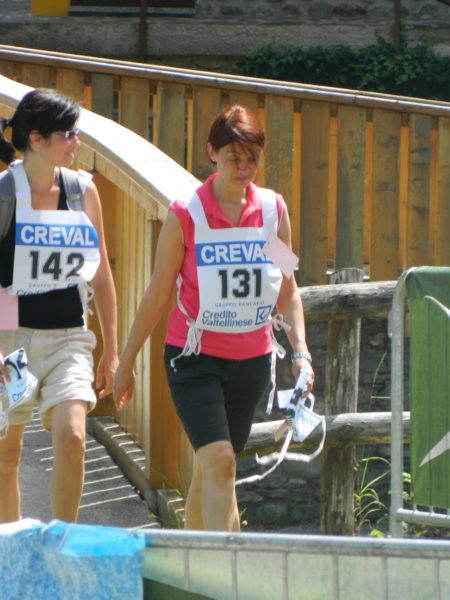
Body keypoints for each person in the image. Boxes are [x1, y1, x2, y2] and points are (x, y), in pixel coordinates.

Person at [113, 105, 314, 531]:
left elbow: (287, 288)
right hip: (193, 358)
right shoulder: (187, 215)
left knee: (212, 468)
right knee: (221, 461)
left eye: (252, 159)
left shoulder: (271, 212)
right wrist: (126, 361)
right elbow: (157, 293)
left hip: (251, 361)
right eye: (233, 158)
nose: (244, 169)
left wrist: (301, 353)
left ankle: (190, 562)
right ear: (211, 153)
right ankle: (228, 566)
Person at [0, 88, 118, 523]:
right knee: (7, 453)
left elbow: (100, 273)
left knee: (73, 436)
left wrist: (112, 349)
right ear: (36, 138)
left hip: (69, 337)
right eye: (68, 134)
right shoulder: (4, 194)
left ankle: (60, 544)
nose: (77, 142)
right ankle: (11, 551)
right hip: (9, 338)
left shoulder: (83, 191)